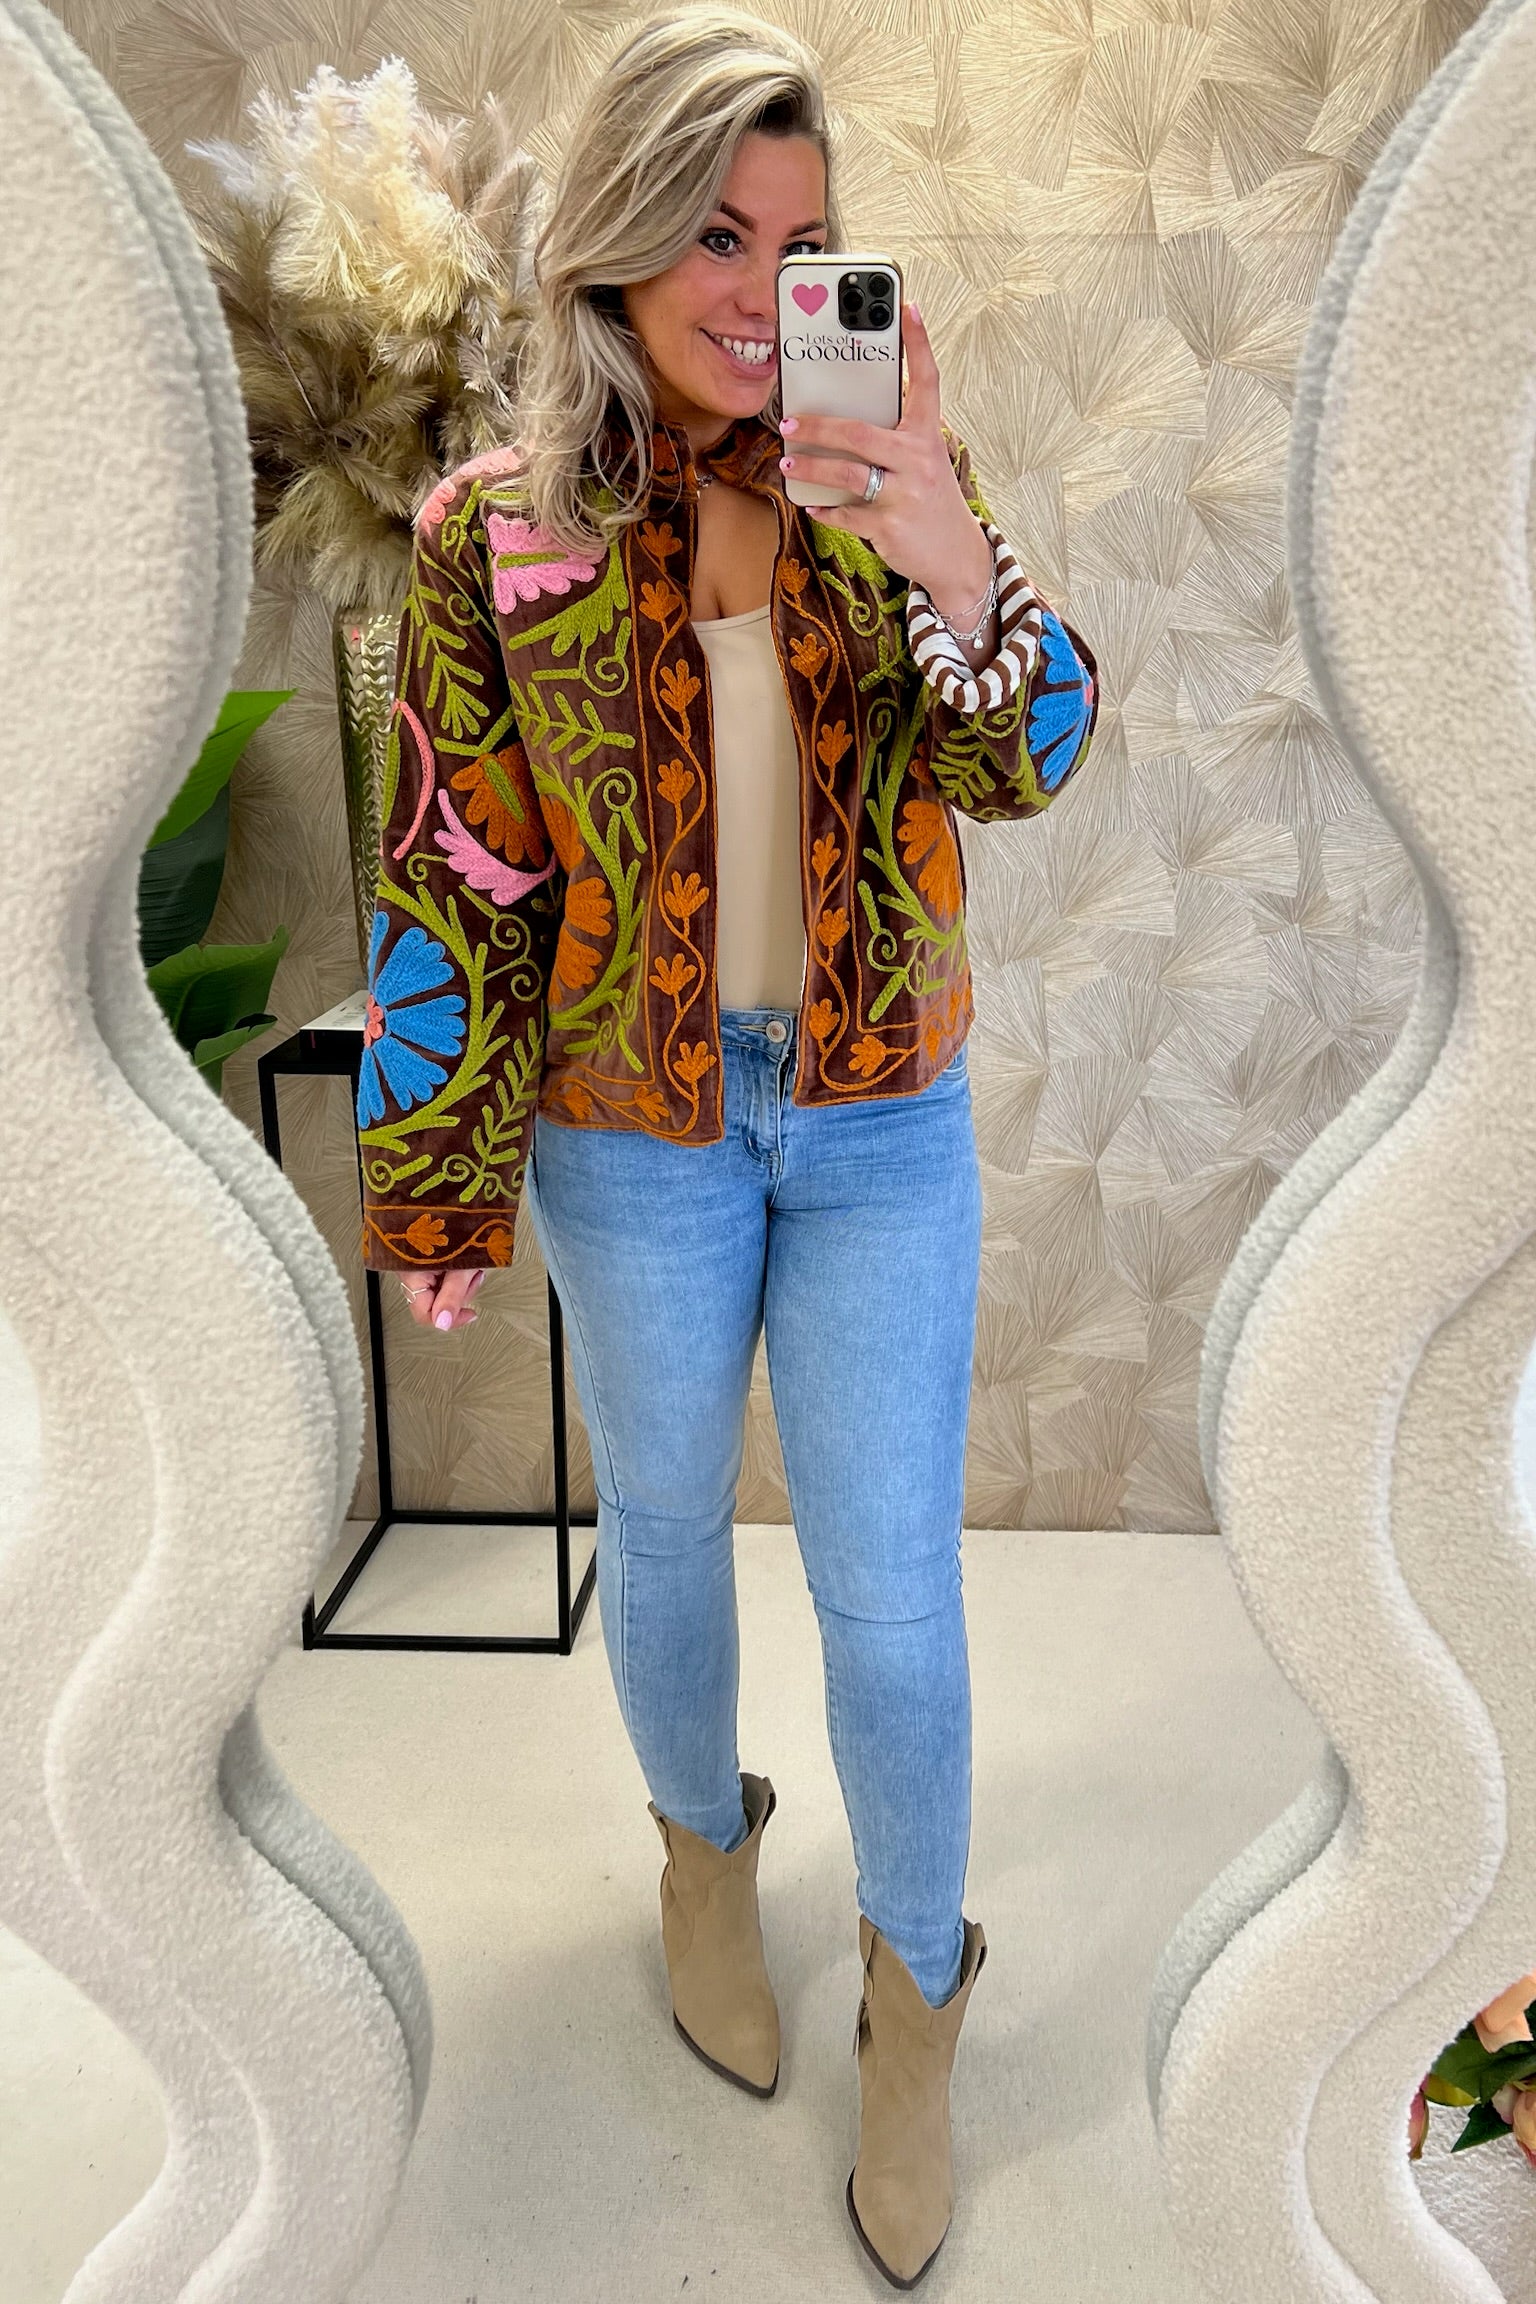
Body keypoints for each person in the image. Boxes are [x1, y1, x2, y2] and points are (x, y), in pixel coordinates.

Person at [355, 7, 1098, 2286]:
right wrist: (436, 1180)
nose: (763, 288)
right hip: (630, 1129)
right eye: (713, 231)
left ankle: (917, 1997)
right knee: (666, 1528)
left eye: (803, 240)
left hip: (878, 1117)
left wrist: (952, 546)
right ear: (613, 236)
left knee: (892, 1585)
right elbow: (455, 872)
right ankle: (702, 1859)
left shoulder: (884, 483)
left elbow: (1026, 762)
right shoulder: (493, 535)